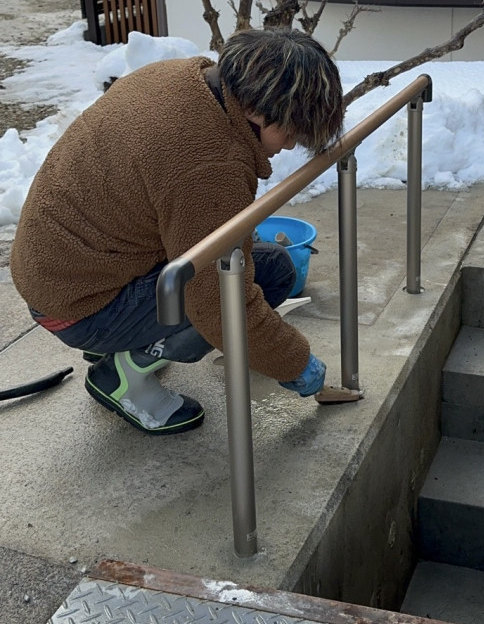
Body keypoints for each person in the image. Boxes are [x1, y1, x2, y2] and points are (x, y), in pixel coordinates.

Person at [10, 27, 344, 435]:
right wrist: (295, 363)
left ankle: (130, 340)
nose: (290, 146)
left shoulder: (181, 78)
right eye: (290, 131)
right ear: (257, 111)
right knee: (266, 275)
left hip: (55, 268)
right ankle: (123, 376)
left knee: (252, 261)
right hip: (77, 305)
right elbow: (220, 305)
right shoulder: (209, 165)